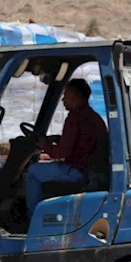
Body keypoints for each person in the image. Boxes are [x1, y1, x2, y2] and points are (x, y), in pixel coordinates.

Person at [24, 78, 108, 218]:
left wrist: (45, 146)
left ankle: (33, 218)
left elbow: (62, 152)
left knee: (33, 172)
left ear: (74, 97)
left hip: (79, 170)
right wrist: (56, 139)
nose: (63, 100)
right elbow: (78, 141)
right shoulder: (93, 117)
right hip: (90, 170)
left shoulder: (74, 118)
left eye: (65, 96)